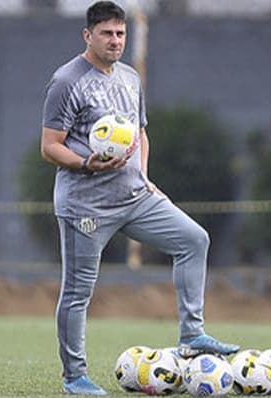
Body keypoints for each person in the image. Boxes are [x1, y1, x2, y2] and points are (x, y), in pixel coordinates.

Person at [40, 1, 240, 395]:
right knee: (78, 292)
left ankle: (192, 334)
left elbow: (140, 133)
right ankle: (74, 377)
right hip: (86, 206)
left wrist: (144, 176)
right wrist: (87, 164)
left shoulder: (130, 78)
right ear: (88, 35)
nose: (115, 41)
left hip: (134, 198)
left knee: (193, 239)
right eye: (106, 34)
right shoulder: (67, 80)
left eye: (120, 34)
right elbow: (49, 147)